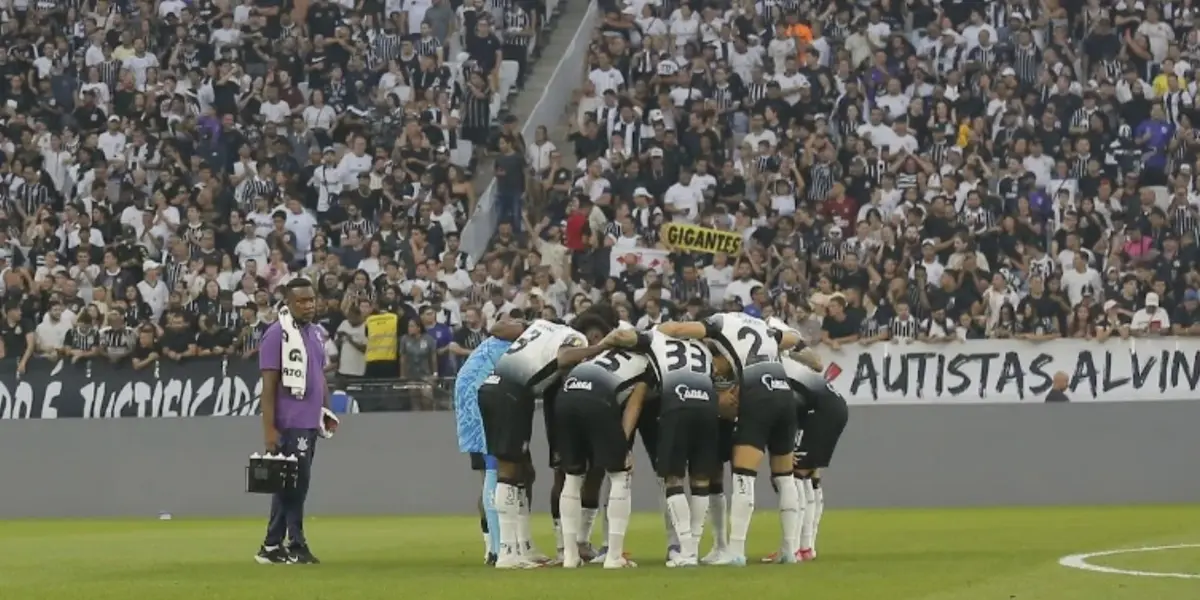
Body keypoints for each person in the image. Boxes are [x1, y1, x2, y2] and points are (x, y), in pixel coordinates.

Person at [656, 312, 803, 566]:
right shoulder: (760, 325)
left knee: (744, 474)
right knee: (784, 476)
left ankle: (735, 550)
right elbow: (793, 340)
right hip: (784, 392)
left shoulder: (720, 322)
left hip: (758, 392)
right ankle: (790, 549)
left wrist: (660, 329)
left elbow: (680, 331)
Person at [477, 309, 617, 569]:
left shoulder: (539, 327)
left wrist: (526, 324)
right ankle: (508, 553)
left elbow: (497, 329)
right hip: (512, 392)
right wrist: (600, 347)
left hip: (491, 387)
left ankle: (521, 547)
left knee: (520, 470)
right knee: (508, 471)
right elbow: (565, 358)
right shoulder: (574, 338)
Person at [554, 327, 651, 569]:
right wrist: (622, 445)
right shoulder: (645, 364)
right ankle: (614, 556)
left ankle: (570, 555)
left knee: (573, 476)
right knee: (620, 475)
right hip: (597, 398)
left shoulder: (598, 355)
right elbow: (633, 407)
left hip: (566, 397)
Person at [255, 279, 337, 565]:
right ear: (288, 303)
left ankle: (271, 545)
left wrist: (326, 410)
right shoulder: (277, 334)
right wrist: (269, 429)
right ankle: (296, 544)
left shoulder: (315, 333)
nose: (309, 305)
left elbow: (319, 374)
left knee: (288, 484)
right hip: (289, 422)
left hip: (310, 420)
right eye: (301, 301)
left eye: (311, 300)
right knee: (296, 485)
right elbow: (268, 386)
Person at [762, 348, 849, 563]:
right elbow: (817, 365)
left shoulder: (768, 368)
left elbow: (784, 407)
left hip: (819, 411)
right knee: (810, 476)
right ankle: (805, 547)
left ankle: (792, 549)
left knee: (795, 474)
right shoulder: (785, 361)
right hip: (829, 406)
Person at [453, 309, 526, 565]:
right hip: (480, 400)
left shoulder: (493, 346)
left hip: (474, 398)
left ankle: (495, 547)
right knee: (495, 471)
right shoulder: (512, 342)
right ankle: (498, 547)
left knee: (491, 473)